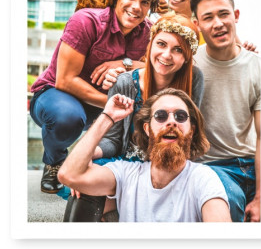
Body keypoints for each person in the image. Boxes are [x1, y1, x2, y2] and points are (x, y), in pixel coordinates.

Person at [61, 13, 204, 221]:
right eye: (161, 44)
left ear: (186, 57)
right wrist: (91, 153)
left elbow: (191, 135)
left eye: (178, 49)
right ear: (151, 45)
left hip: (168, 163)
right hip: (127, 162)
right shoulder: (125, 83)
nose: (166, 55)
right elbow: (113, 139)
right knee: (83, 187)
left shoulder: (195, 79)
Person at [29, 0, 160, 194]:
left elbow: (158, 65)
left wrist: (124, 62)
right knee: (67, 118)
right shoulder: (86, 21)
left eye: (145, 1)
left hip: (105, 104)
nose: (137, 6)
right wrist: (112, 105)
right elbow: (65, 80)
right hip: (56, 95)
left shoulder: (150, 33)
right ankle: (54, 161)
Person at [58, 89, 231, 222]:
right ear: (147, 129)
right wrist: (107, 117)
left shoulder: (203, 179)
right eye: (161, 116)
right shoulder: (126, 173)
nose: (171, 121)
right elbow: (69, 174)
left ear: (191, 131)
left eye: (180, 116)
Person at [190, 0, 261, 222]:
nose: (218, 24)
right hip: (214, 167)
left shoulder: (258, 66)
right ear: (197, 25)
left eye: (223, 14)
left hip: (254, 164)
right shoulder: (189, 66)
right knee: (228, 204)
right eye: (208, 18)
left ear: (236, 16)